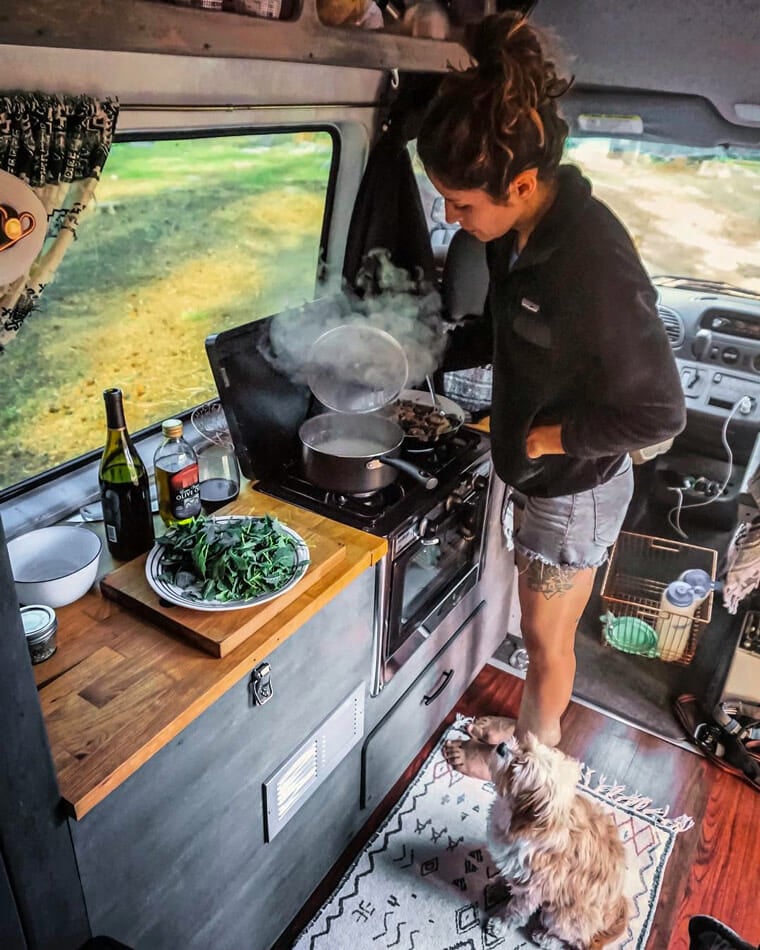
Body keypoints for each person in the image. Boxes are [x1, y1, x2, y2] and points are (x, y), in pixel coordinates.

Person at [416, 12, 686, 777]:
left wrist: (543, 441)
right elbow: (523, 338)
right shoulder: (518, 235)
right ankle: (528, 735)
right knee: (536, 636)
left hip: (576, 487)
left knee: (546, 644)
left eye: (461, 203)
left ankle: (534, 780)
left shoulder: (593, 259)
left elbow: (660, 411)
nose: (450, 217)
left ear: (523, 185)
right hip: (536, 478)